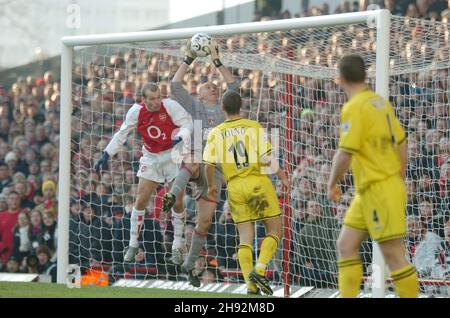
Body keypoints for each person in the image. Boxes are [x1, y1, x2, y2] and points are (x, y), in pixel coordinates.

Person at [327, 54, 418, 298]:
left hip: (379, 189)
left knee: (394, 255)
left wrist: (332, 183)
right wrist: (397, 175)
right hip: (368, 191)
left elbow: (345, 153)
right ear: (365, 76)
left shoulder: (354, 107)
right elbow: (401, 142)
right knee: (345, 245)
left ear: (340, 78)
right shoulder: (380, 102)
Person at [161, 38, 239, 285]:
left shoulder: (225, 108)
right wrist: (189, 58)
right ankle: (172, 194)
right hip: (196, 162)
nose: (213, 87)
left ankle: (188, 265)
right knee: (193, 158)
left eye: (215, 86)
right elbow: (174, 85)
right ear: (199, 93)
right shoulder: (194, 107)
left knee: (205, 221)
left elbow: (233, 85)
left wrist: (217, 61)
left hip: (214, 172)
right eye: (208, 86)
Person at [94, 82, 193, 262]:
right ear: (144, 99)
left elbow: (188, 123)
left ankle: (178, 245)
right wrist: (106, 153)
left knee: (177, 202)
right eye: (153, 99)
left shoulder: (170, 106)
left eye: (158, 97)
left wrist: (181, 135)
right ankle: (133, 244)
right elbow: (122, 134)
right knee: (140, 200)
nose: (157, 102)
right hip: (151, 157)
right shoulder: (135, 111)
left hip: (173, 156)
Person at [203, 90, 290, 295]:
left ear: (222, 108)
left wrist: (211, 185)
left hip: (235, 187)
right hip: (257, 182)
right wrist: (283, 176)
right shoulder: (253, 126)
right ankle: (260, 269)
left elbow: (208, 164)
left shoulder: (216, 132)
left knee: (245, 238)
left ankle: (251, 286)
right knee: (275, 230)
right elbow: (267, 158)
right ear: (241, 106)